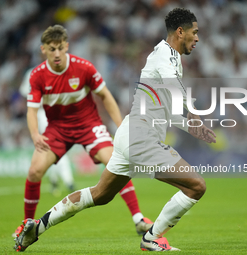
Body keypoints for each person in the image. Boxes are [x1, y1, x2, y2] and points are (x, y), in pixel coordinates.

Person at [13, 8, 216, 252]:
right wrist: (192, 109)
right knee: (196, 186)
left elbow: (165, 109)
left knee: (99, 195)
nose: (197, 38)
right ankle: (152, 238)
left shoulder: (171, 59)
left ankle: (37, 227)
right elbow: (173, 85)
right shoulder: (163, 53)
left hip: (131, 134)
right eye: (194, 33)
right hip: (141, 138)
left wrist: (190, 125)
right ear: (180, 32)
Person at [13, 25, 153, 238]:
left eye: (60, 48)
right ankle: (26, 225)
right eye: (52, 49)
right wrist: (34, 133)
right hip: (57, 129)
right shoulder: (37, 76)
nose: (57, 53)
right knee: (34, 171)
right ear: (43, 50)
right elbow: (32, 111)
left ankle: (138, 218)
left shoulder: (84, 68)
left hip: (88, 125)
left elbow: (105, 95)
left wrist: (122, 126)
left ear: (67, 46)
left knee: (116, 161)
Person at [19, 64, 75, 197]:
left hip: (53, 114)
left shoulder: (34, 72)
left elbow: (23, 92)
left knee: (51, 148)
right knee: (58, 146)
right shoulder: (34, 73)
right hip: (42, 114)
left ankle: (55, 180)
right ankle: (69, 182)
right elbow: (24, 93)